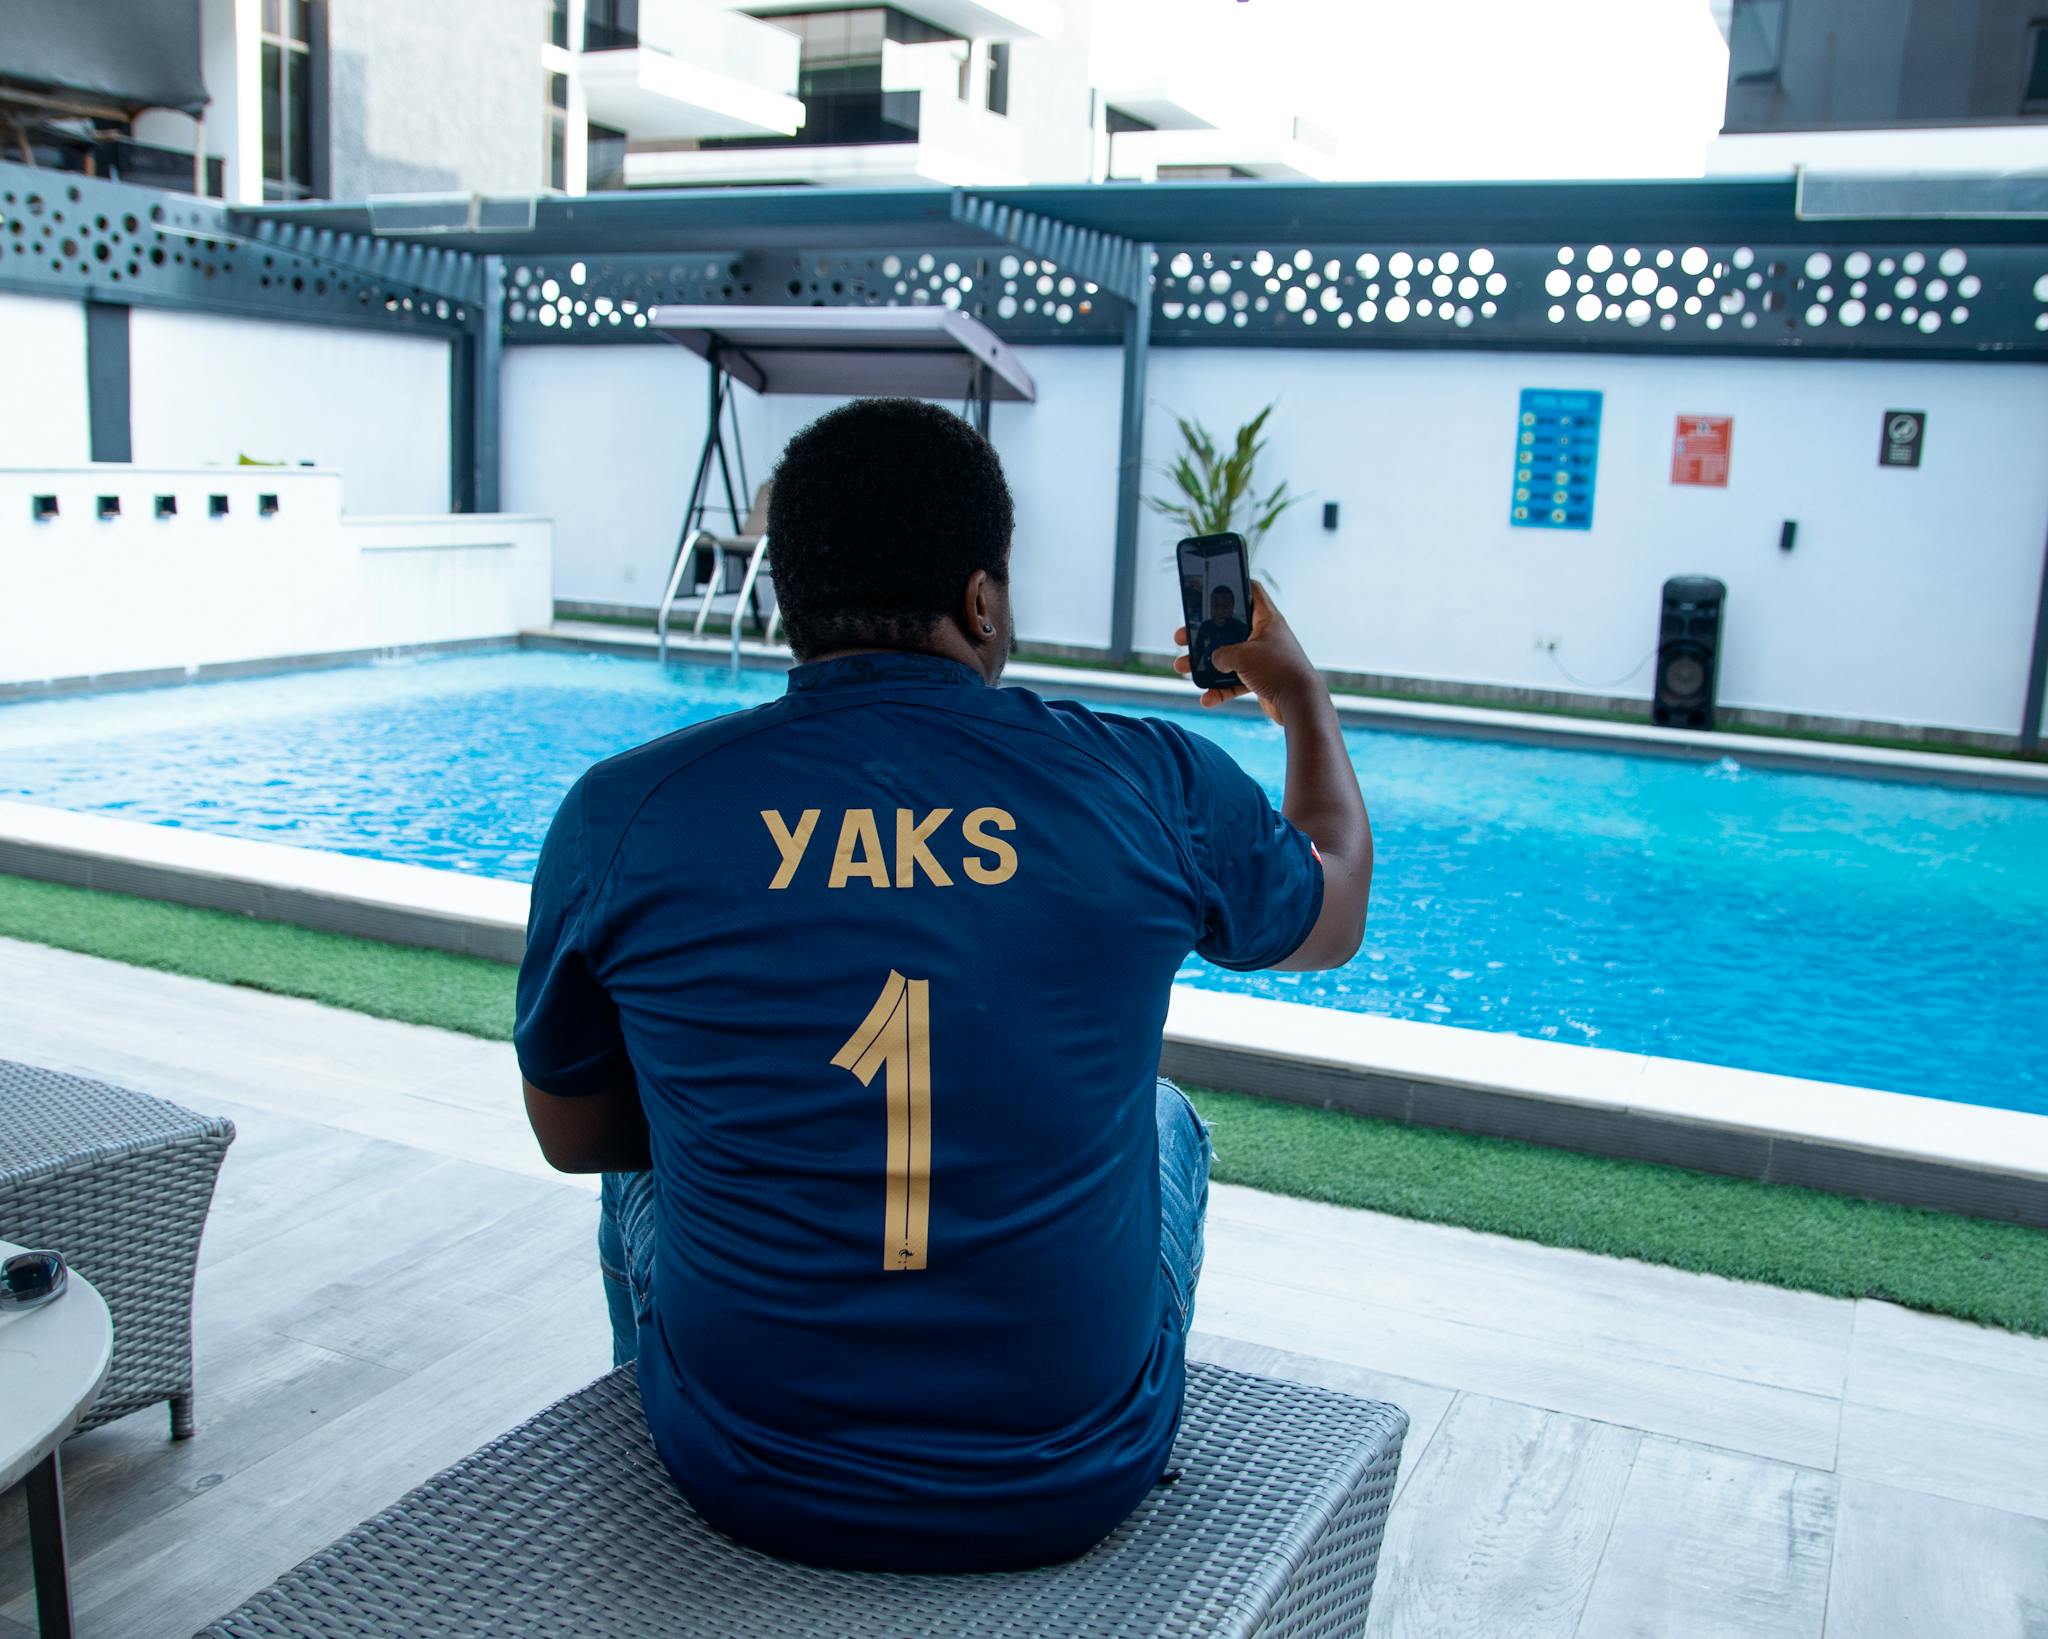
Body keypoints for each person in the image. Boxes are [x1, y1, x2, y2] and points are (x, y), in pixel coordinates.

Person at [515, 398, 1371, 1574]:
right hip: (1075, 1478)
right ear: (980, 601)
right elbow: (1330, 917)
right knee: (1162, 1114)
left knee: (643, 1170)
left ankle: (669, 1472)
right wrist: (1298, 699)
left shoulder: (627, 813)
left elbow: (577, 1136)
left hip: (744, 1478)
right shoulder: (1149, 783)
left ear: (784, 602)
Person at [1190, 582, 1252, 680]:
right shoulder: (1205, 627)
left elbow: (1249, 660)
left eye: (1225, 606)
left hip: (1236, 679)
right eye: (1216, 606)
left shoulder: (1242, 629)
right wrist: (1192, 670)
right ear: (1211, 607)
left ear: (1232, 607)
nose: (1220, 611)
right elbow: (1197, 652)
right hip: (1210, 678)